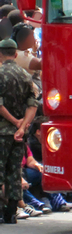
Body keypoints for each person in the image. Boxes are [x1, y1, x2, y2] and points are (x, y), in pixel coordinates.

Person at [0, 38, 39, 224]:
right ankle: (12, 212)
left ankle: (2, 210)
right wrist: (22, 126)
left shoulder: (0, 74)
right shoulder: (25, 76)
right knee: (15, 171)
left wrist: (14, 122)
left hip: (2, 131)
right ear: (15, 54)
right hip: (19, 134)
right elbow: (33, 105)